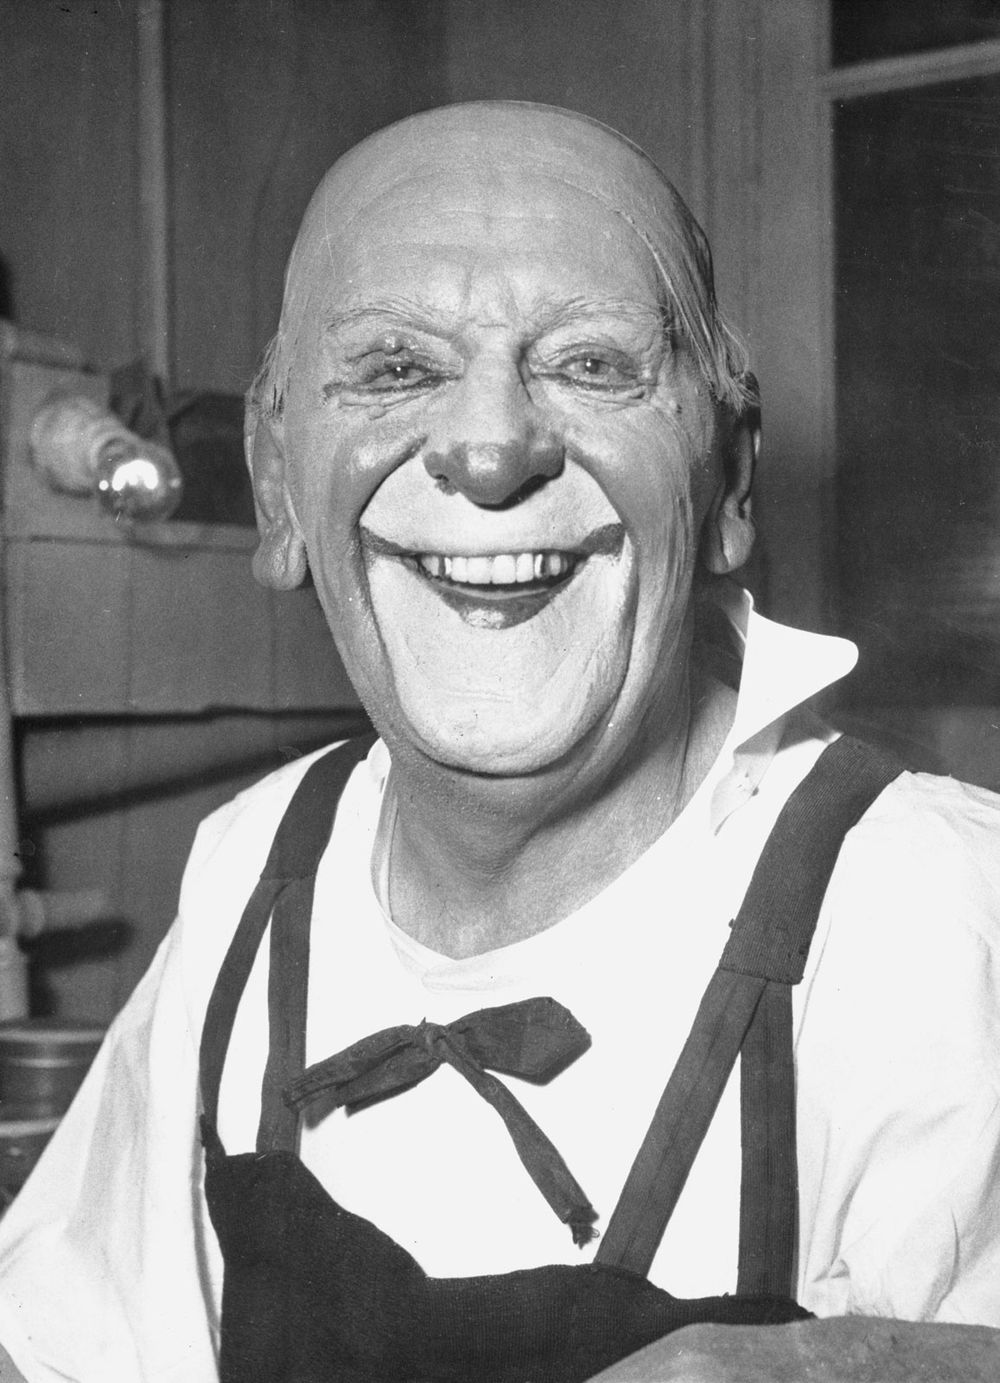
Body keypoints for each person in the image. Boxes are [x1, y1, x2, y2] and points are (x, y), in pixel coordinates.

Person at [0, 101, 997, 1382]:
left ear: (728, 478)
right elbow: (63, 1339)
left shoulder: (926, 917)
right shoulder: (260, 862)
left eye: (589, 364)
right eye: (396, 368)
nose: (485, 449)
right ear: (274, 483)